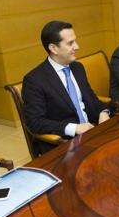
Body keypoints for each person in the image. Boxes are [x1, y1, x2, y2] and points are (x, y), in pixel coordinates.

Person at [22, 21, 110, 155]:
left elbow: (92, 100)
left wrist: (103, 113)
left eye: (75, 41)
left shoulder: (77, 68)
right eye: (70, 43)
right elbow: (35, 122)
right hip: (64, 143)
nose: (77, 46)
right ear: (53, 48)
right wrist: (75, 128)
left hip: (93, 133)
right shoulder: (34, 80)